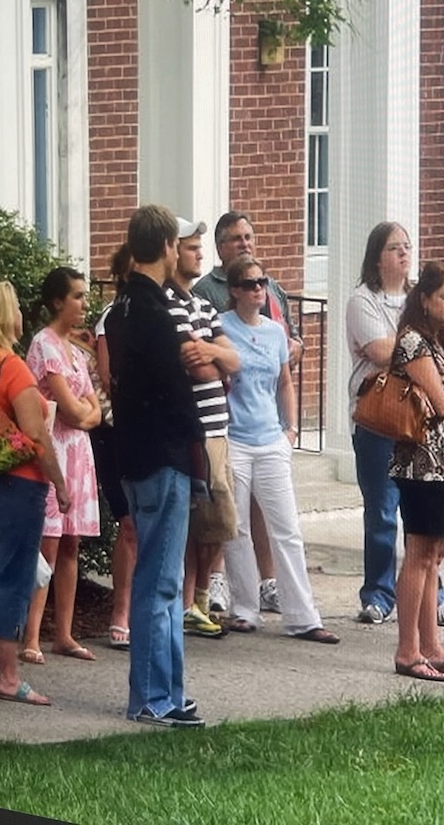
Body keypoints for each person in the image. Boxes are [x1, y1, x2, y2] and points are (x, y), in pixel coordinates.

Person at [104, 204, 208, 727]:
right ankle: (150, 696)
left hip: (135, 456)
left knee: (161, 577)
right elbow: (176, 395)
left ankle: (169, 691)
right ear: (167, 247)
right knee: (160, 581)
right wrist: (199, 450)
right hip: (163, 457)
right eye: (177, 245)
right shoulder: (153, 313)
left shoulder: (121, 308)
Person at [218, 254, 338, 645]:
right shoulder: (221, 327)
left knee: (286, 528)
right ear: (235, 290)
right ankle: (244, 609)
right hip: (235, 437)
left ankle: (302, 615)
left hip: (270, 439)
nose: (259, 289)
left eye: (262, 282)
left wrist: (290, 430)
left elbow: (284, 380)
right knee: (236, 528)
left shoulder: (274, 331)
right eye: (251, 284)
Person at [0, 281, 69, 705]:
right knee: (13, 575)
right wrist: (60, 483)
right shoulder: (14, 368)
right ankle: (9, 675)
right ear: (8, 314)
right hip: (16, 484)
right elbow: (36, 434)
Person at [345, 222, 444, 628]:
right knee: (382, 510)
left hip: (423, 420)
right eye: (395, 248)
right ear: (377, 256)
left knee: (423, 513)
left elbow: (438, 347)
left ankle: (435, 595)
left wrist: (412, 348)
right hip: (382, 420)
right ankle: (378, 594)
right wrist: (418, 347)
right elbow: (379, 350)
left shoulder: (419, 298)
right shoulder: (362, 301)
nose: (404, 254)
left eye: (408, 247)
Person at [193, 210, 301, 615]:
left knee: (271, 512)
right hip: (231, 423)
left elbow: (289, 339)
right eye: (236, 238)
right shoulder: (208, 292)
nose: (245, 242)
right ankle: (223, 583)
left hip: (269, 421)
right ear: (221, 247)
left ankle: (269, 583)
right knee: (229, 510)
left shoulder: (274, 289)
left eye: (249, 236)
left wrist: (289, 428)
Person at [387, 261, 444, 681]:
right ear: (424, 299)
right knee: (420, 553)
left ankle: (433, 647)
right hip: (419, 464)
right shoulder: (413, 342)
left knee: (436, 556)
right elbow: (443, 403)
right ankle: (407, 650)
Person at [21, 268, 102, 666]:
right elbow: (69, 407)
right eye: (77, 296)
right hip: (53, 451)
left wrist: (85, 414)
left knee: (71, 543)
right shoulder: (45, 345)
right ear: (57, 301)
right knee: (48, 543)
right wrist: (84, 413)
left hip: (78, 454)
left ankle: (65, 634)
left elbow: (94, 410)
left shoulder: (74, 350)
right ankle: (31, 634)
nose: (84, 303)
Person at [166, 218, 239, 640]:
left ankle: (199, 597)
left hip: (219, 428)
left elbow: (231, 363)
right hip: (193, 430)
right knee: (198, 519)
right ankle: (187, 599)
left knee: (218, 522)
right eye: (192, 247)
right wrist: (216, 359)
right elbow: (195, 366)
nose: (200, 254)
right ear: (173, 252)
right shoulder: (167, 304)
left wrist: (213, 352)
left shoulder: (205, 307)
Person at [93, 245, 134, 650]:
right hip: (117, 432)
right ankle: (120, 610)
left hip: (148, 432)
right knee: (129, 523)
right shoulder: (112, 318)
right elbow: (107, 377)